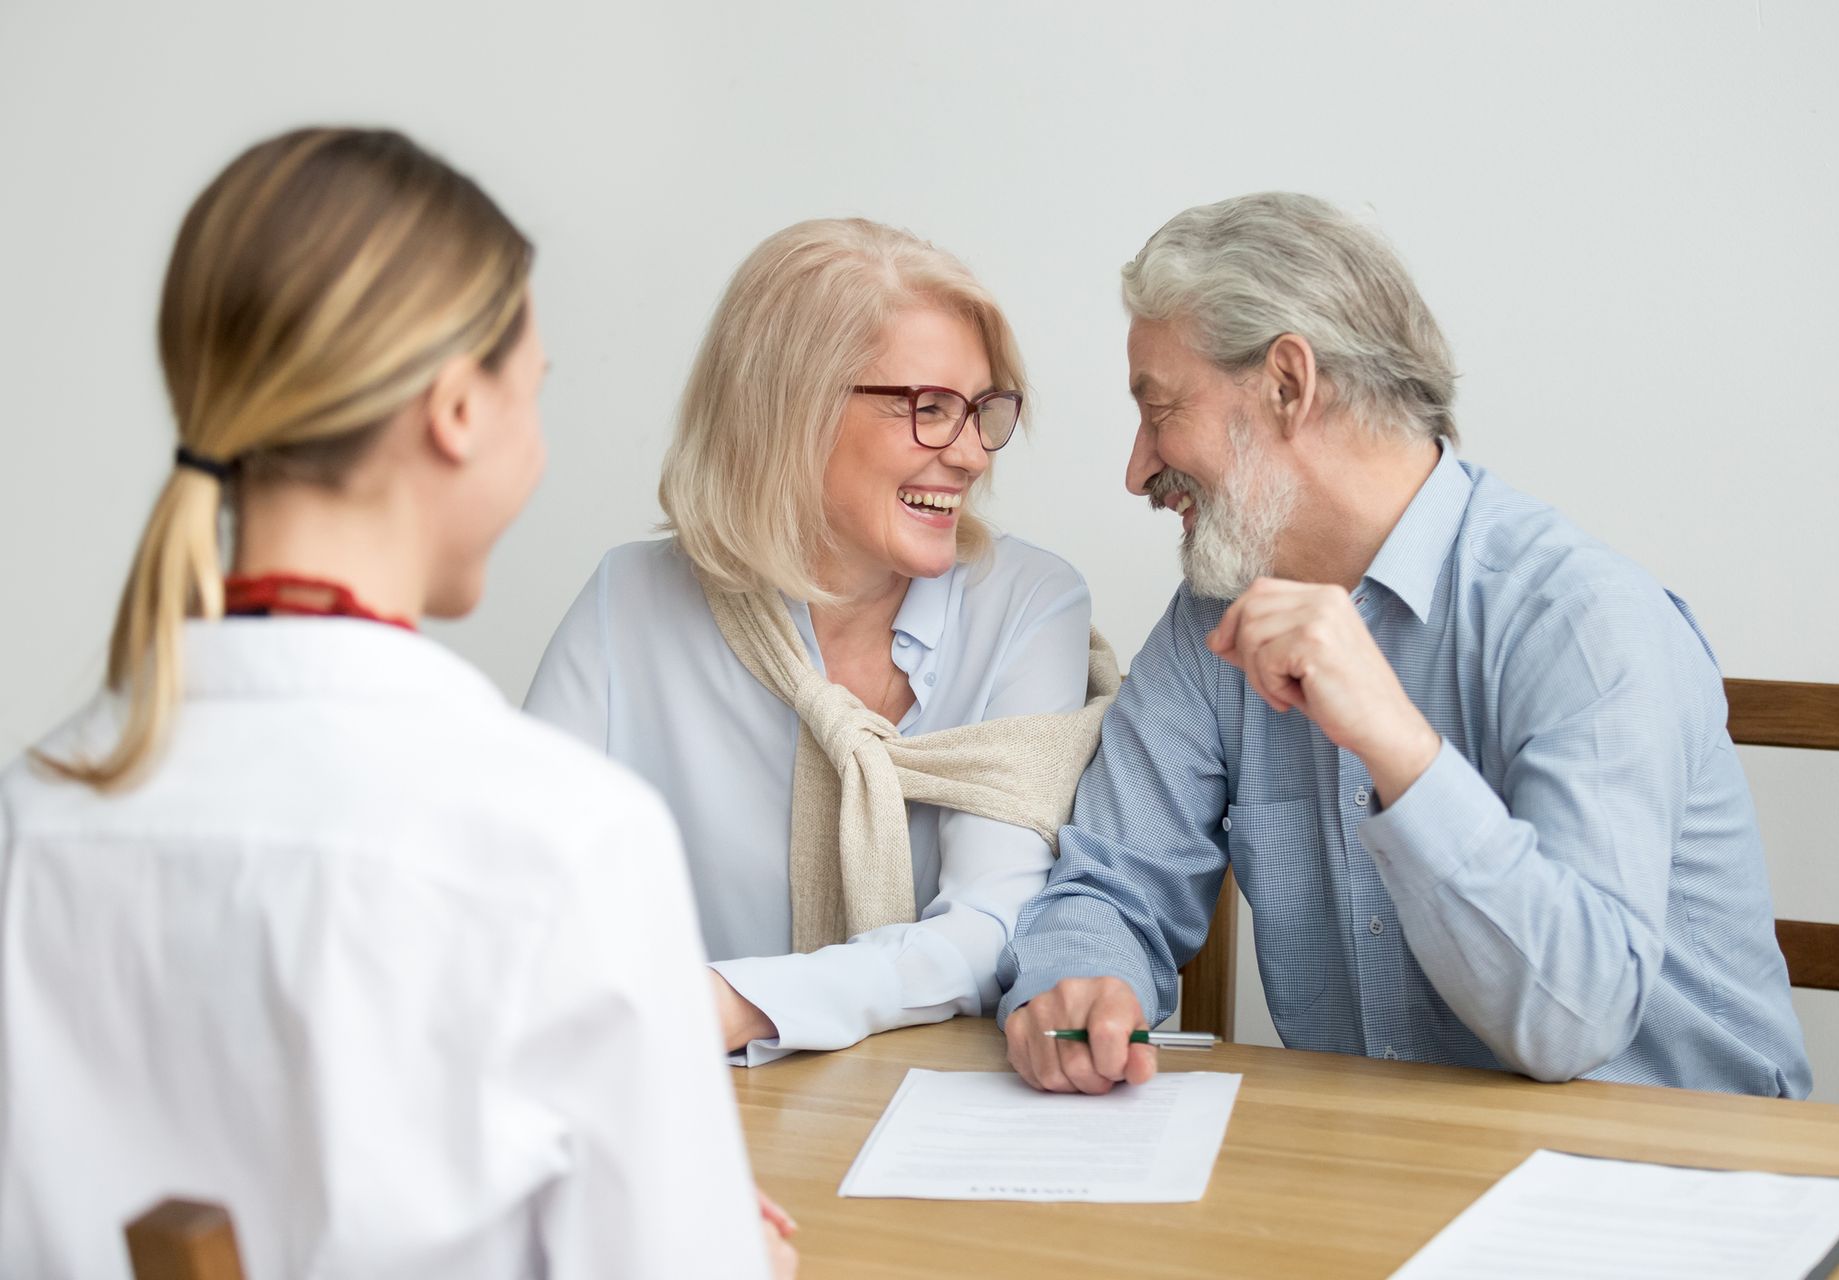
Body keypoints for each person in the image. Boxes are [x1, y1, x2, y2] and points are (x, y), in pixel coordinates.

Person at [0, 127, 790, 1279]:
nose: (538, 439)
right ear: (456, 410)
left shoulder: (34, 813)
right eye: (534, 392)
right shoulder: (562, 839)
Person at [997, 192, 1811, 1100]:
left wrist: (1396, 744)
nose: (1137, 467)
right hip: (1389, 1176)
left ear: (1288, 386)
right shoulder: (1211, 624)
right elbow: (1108, 890)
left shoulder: (1580, 619)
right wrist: (1083, 986)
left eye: (1159, 409)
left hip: (1684, 1176)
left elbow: (1573, 1020)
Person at [526, 218, 1116, 1066]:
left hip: (939, 1110)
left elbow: (993, 927)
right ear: (791, 409)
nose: (969, 455)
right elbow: (523, 891)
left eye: (982, 410)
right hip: (685, 1104)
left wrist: (738, 1003)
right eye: (929, 409)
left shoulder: (1028, 604)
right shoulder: (631, 602)